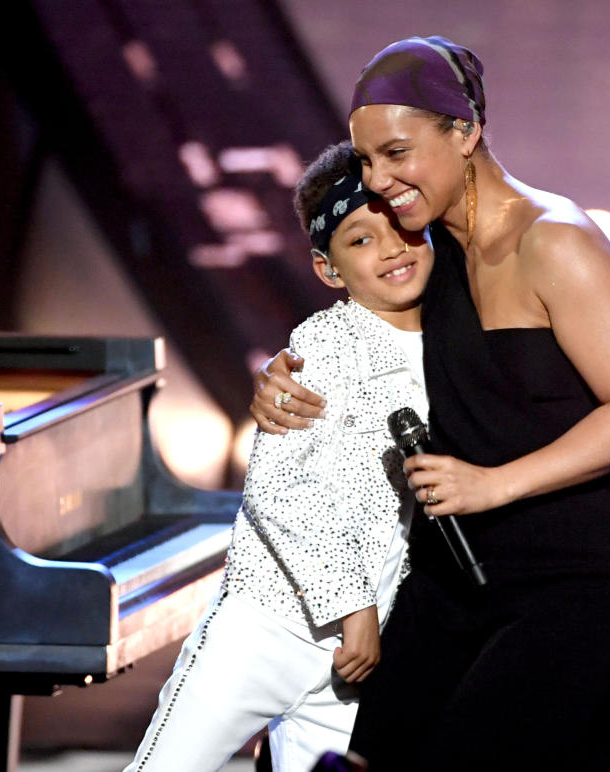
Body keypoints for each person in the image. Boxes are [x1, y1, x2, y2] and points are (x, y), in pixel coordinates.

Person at [251, 37, 610, 771]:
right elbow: (353, 338)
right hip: (453, 581)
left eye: (395, 154)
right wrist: (281, 372)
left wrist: (492, 483)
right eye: (366, 161)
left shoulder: (554, 243)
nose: (378, 181)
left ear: (466, 131)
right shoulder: (428, 250)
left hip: (575, 585)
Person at [124, 141, 432, 772]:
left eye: (399, 227)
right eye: (361, 239)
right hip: (267, 625)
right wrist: (356, 609)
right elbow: (283, 489)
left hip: (353, 659)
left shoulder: (453, 343)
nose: (392, 249)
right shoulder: (323, 345)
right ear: (328, 269)